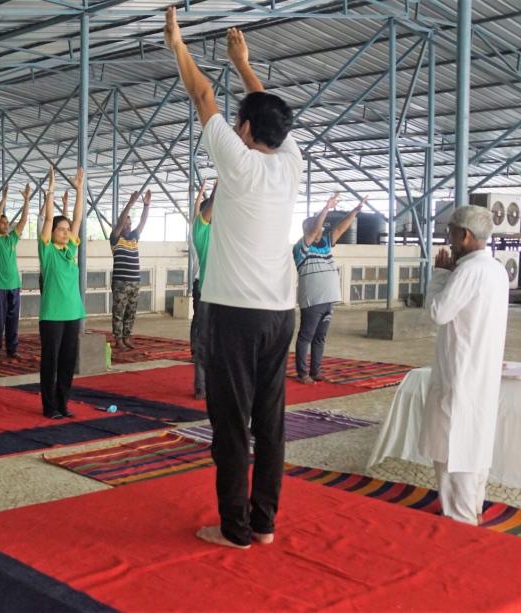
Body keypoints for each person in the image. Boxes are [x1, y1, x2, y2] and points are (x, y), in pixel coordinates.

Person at [166, 11, 302, 549]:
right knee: (269, 421)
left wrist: (177, 44)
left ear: (244, 131)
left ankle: (234, 529)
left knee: (230, 423)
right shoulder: (290, 162)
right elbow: (272, 115)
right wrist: (244, 66)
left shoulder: (239, 164)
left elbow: (202, 96)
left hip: (233, 314)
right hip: (278, 314)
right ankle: (264, 522)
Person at [421, 206, 508, 525]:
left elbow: (438, 312)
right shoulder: (496, 270)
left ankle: (460, 520)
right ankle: (473, 506)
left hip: (460, 371)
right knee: (475, 443)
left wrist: (440, 276)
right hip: (481, 371)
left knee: (453, 447)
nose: (449, 239)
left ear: (465, 235)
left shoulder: (467, 271)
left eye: (451, 232)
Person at [293, 194, 361, 384]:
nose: (320, 229)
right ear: (308, 230)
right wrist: (326, 208)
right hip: (312, 300)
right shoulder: (301, 247)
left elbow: (340, 228)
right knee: (306, 336)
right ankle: (303, 373)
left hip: (328, 299)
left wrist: (355, 211)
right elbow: (315, 229)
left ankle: (316, 371)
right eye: (317, 227)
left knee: (320, 337)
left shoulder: (325, 244)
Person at [38, 166, 86, 419]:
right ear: (53, 233)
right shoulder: (47, 252)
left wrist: (80, 191)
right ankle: (49, 406)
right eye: (61, 229)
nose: (66, 231)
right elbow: (47, 220)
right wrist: (51, 192)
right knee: (51, 362)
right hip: (52, 316)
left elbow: (78, 220)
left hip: (72, 314)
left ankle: (63, 403)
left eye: (67, 229)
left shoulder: (70, 251)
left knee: (67, 363)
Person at [0, 184, 29, 363]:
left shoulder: (12, 238)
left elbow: (24, 220)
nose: (5, 224)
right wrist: (3, 200)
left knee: (13, 320)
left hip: (14, 284)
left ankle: (12, 349)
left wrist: (26, 200)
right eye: (3, 222)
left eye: (7, 222)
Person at [109, 190, 151, 350]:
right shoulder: (115, 238)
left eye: (129, 223)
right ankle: (118, 338)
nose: (128, 225)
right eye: (125, 223)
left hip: (135, 281)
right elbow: (120, 222)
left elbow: (143, 221)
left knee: (131, 312)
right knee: (119, 311)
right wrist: (130, 203)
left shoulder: (134, 237)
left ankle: (126, 337)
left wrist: (146, 206)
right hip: (121, 282)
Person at [190, 180, 213, 400]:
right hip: (203, 286)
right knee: (202, 334)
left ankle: (212, 383)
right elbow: (199, 212)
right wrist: (205, 193)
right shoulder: (199, 229)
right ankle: (201, 385)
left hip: (226, 294)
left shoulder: (222, 230)